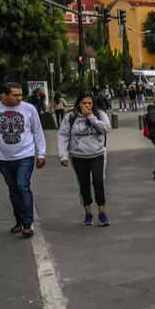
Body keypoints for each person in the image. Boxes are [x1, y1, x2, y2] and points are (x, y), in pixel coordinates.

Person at [0, 83, 46, 237]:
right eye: (15, 95)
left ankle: (27, 223)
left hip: (26, 154)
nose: (19, 98)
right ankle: (19, 219)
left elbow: (37, 132)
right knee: (13, 190)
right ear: (4, 95)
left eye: (21, 95)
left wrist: (41, 154)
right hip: (4, 157)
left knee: (23, 186)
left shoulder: (29, 109)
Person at [57, 93, 111, 226]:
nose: (87, 106)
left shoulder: (100, 114)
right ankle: (88, 213)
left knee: (99, 181)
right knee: (83, 183)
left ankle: (102, 212)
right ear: (78, 103)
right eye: (84, 103)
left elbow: (106, 128)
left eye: (90, 103)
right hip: (78, 155)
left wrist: (91, 117)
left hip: (98, 153)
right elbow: (63, 136)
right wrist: (62, 155)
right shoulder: (70, 117)